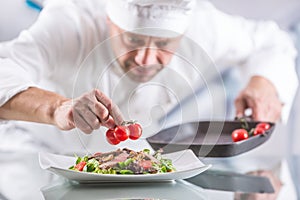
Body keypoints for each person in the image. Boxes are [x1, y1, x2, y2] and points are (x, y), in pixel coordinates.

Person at [0, 0, 298, 153]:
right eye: (131, 41)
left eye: (164, 45)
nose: (145, 59)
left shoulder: (204, 25)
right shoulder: (72, 20)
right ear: (109, 21)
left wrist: (265, 82)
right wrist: (58, 108)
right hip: (37, 155)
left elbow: (272, 41)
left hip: (130, 166)